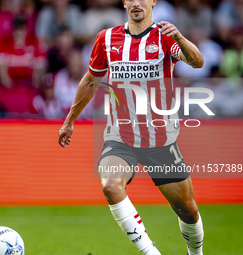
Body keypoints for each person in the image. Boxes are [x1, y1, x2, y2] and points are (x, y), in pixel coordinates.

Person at [58, 0, 205, 255]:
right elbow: (91, 80)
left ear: (153, 2)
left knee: (188, 209)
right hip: (121, 136)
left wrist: (179, 37)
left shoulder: (165, 37)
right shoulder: (106, 39)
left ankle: (196, 253)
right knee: (110, 184)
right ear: (125, 2)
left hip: (160, 139)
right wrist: (69, 120)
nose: (136, 3)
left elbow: (198, 62)